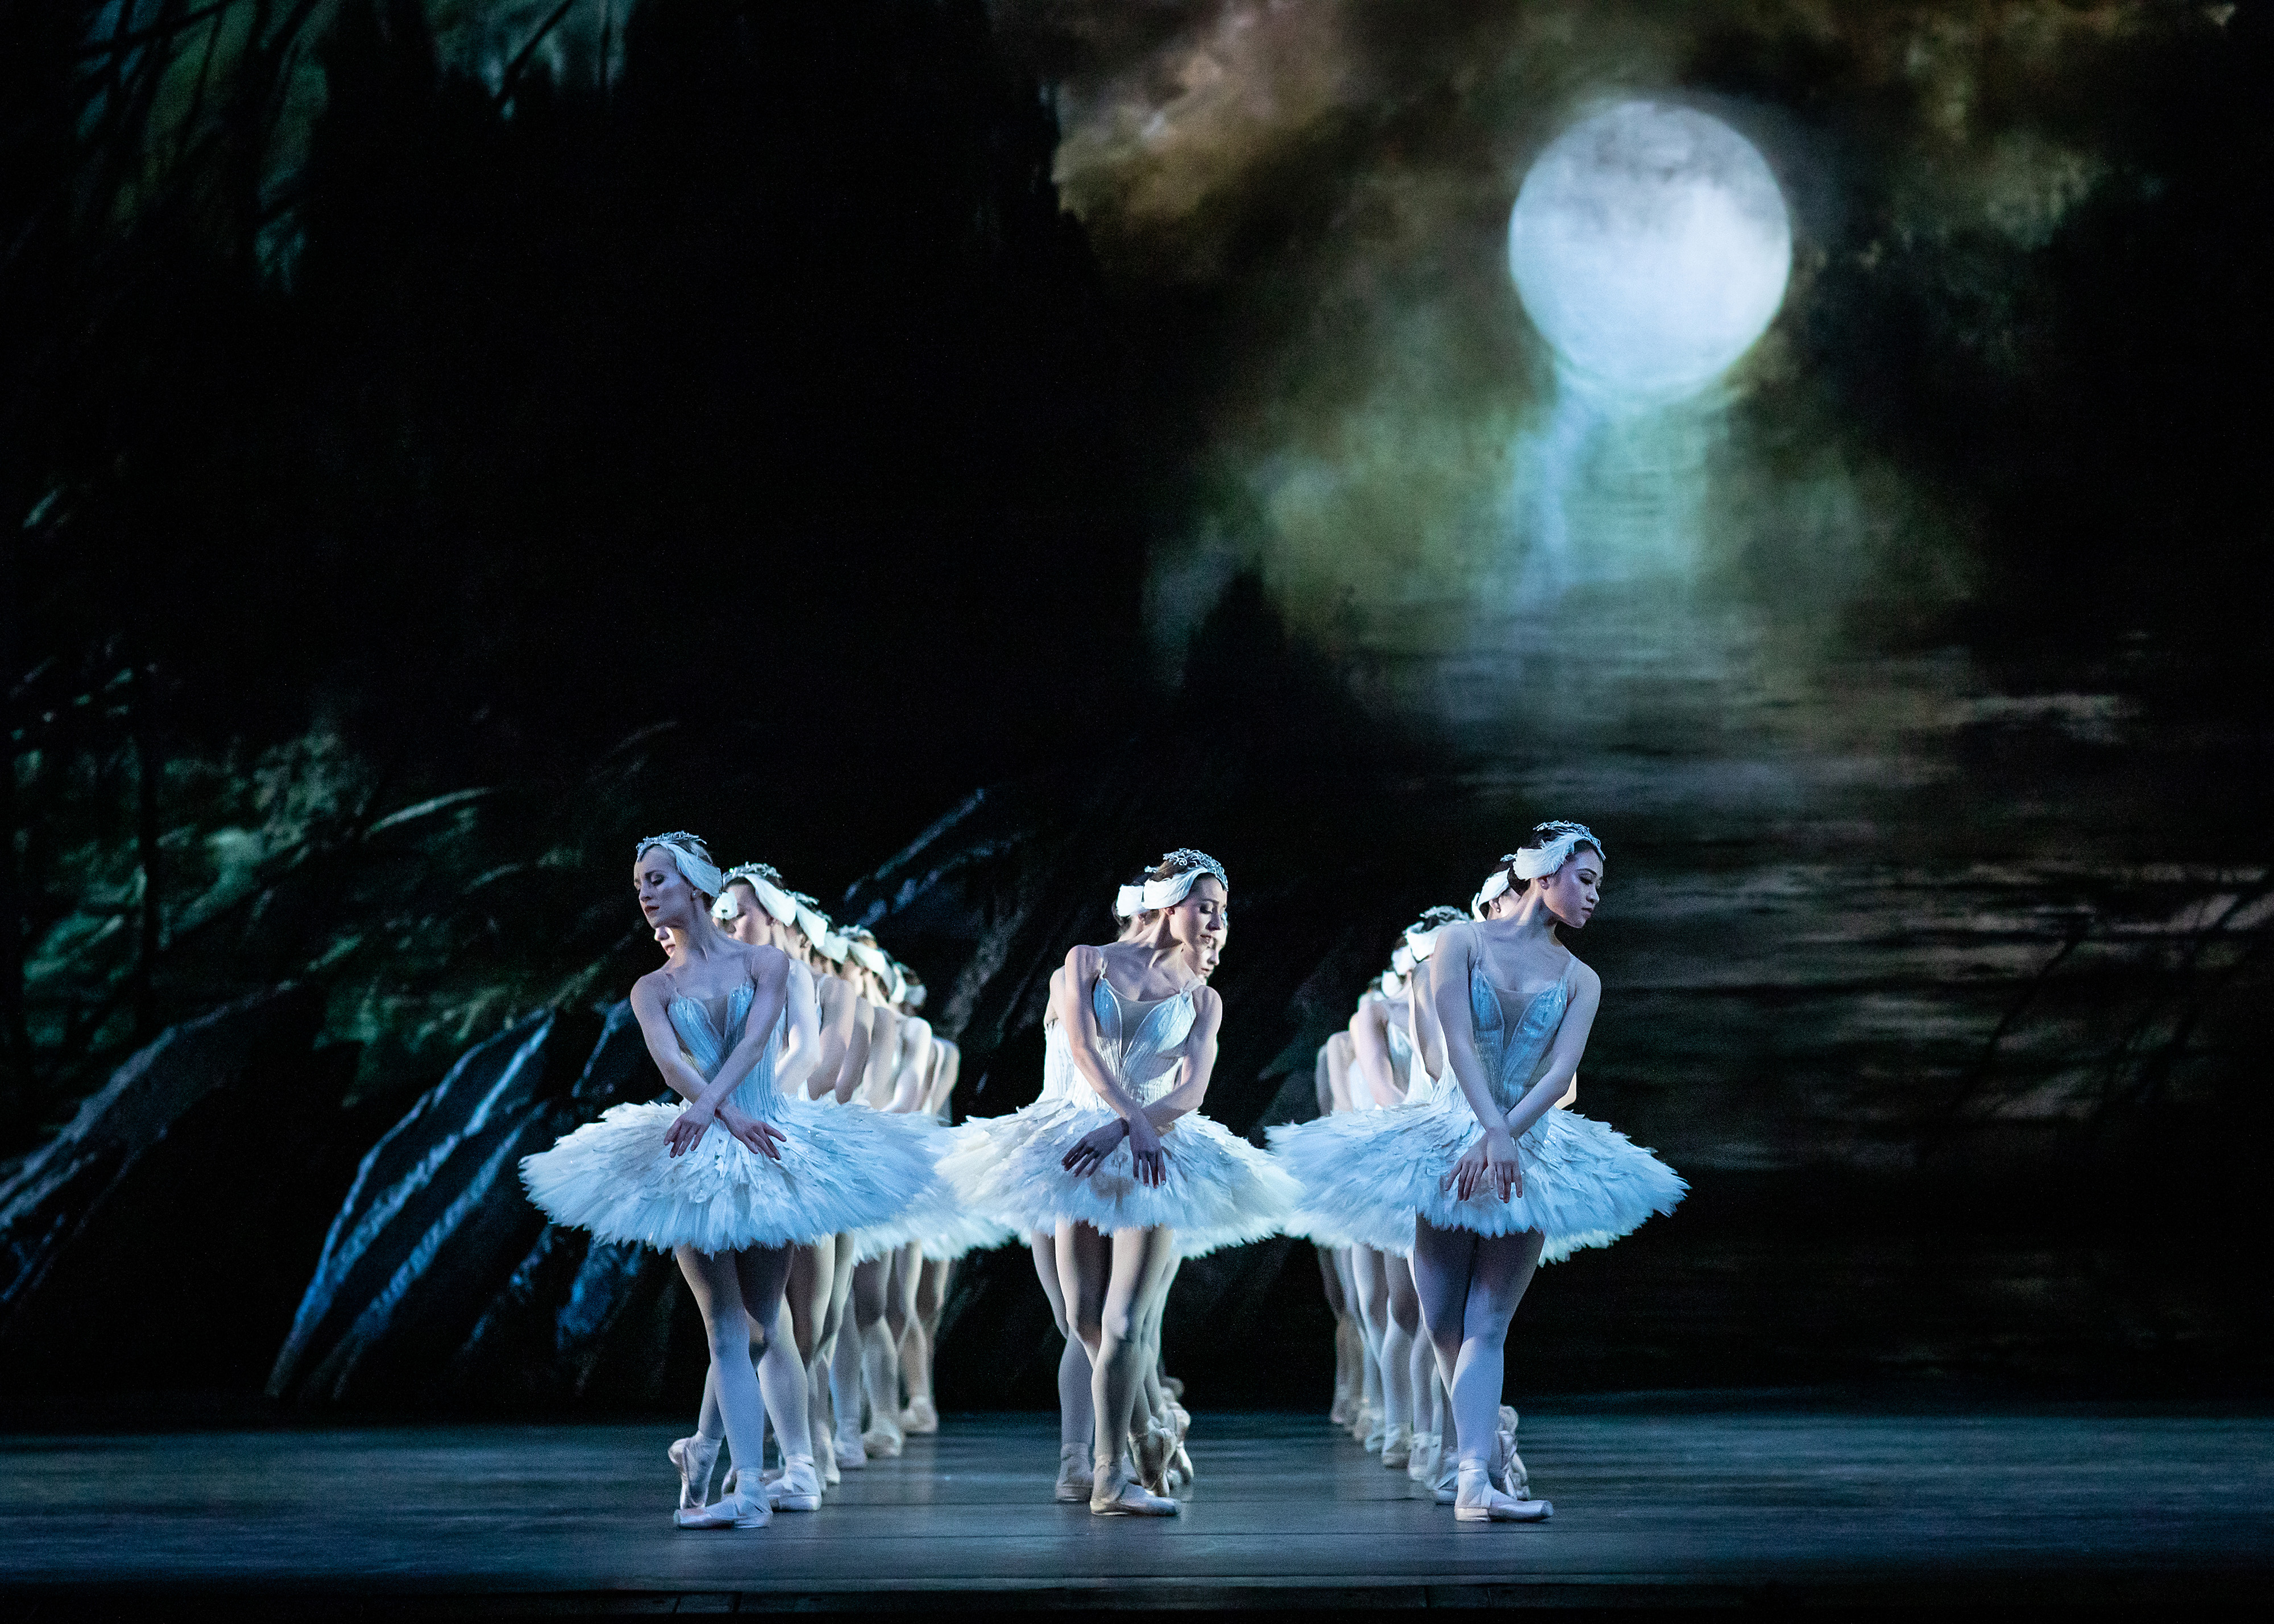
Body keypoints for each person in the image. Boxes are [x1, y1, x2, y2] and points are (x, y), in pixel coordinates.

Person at [520, 834, 937, 1529]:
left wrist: (728, 1112)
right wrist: (716, 1112)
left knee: (764, 1325)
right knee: (727, 1329)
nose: (646, 892)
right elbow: (669, 1063)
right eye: (639, 883)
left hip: (768, 1136)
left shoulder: (769, 962)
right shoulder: (652, 985)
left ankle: (749, 1471)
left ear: (693, 884)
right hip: (703, 1147)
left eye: (657, 878)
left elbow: (756, 1044)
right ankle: (742, 1481)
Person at [1271, 823, 1685, 1522]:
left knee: (1487, 1321)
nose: (1592, 897)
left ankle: (1471, 1480)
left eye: (1597, 886)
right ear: (1544, 874)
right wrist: (1487, 1129)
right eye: (1584, 880)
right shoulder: (1461, 943)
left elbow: (1559, 1075)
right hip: (1448, 1132)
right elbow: (1454, 1041)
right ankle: (1485, 1453)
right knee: (1439, 1321)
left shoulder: (1581, 978)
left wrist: (1508, 1135)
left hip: (1531, 1146)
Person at [942, 849, 1293, 1514]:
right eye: (1205, 905)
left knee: (1127, 1320)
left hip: (1153, 1153)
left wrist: (1135, 1126)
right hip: (1077, 1142)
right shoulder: (1085, 961)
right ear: (1168, 903)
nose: (1216, 920)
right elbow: (1079, 1046)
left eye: (1222, 910)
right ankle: (1145, 1430)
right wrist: (1120, 1120)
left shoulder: (1203, 996)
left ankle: (1108, 1472)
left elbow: (1191, 1088)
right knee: (1079, 1317)